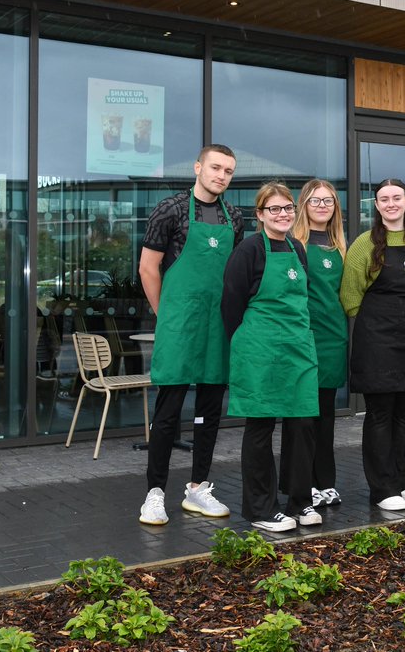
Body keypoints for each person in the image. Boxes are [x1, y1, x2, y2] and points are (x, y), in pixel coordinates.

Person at [136, 144, 243, 526]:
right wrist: (165, 314)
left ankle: (198, 488)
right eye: (215, 167)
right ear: (198, 166)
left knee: (209, 412)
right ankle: (155, 493)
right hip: (180, 322)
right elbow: (148, 267)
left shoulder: (234, 215)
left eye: (228, 171)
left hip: (218, 324)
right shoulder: (172, 210)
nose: (221, 175)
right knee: (167, 413)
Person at [222, 183, 320, 533]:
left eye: (288, 208)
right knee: (260, 426)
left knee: (303, 423)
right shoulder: (247, 251)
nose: (283, 214)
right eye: (274, 209)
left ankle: (299, 501)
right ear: (260, 214)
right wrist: (253, 340)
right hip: (261, 350)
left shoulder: (297, 248)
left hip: (297, 347)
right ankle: (261, 508)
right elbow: (230, 305)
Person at [340, 178, 405, 510]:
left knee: (402, 413)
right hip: (376, 339)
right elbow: (350, 296)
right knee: (380, 413)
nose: (391, 203)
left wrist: (404, 319)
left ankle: (401, 478)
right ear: (376, 205)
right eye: (384, 199)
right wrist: (378, 323)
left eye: (397, 198)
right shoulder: (363, 244)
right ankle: (381, 487)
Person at [288, 179, 348, 509]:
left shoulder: (341, 246)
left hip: (333, 337)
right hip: (303, 337)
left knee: (326, 416)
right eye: (315, 200)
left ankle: (326, 481)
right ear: (304, 205)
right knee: (303, 416)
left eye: (328, 201)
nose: (322, 206)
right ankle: (304, 483)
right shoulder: (294, 242)